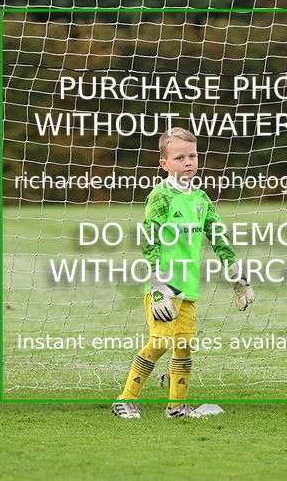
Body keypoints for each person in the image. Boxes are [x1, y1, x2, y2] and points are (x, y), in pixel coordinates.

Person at [112, 127, 255, 419]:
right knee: (160, 342)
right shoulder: (161, 196)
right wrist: (156, 282)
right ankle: (124, 400)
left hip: (189, 288)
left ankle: (176, 407)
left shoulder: (201, 198)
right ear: (164, 164)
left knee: (184, 345)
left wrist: (235, 270)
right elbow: (150, 238)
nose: (188, 162)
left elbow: (218, 235)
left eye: (192, 156)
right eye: (179, 157)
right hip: (164, 289)